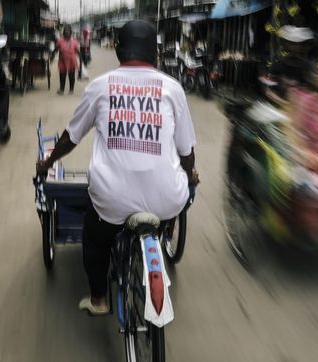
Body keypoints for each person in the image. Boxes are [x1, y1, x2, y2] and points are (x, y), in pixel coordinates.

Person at [36, 20, 199, 315]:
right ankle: (161, 241)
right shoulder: (173, 90)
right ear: (156, 55)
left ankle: (99, 299)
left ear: (119, 51)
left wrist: (47, 162)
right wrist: (191, 175)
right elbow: (186, 152)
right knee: (172, 206)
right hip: (166, 201)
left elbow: (71, 138)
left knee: (95, 239)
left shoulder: (100, 87)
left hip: (111, 201)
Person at [51, 25, 80, 95]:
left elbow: (78, 52)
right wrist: (51, 57)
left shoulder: (74, 41)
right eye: (65, 31)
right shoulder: (60, 41)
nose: (67, 33)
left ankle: (71, 89)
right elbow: (56, 49)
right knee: (62, 76)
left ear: (70, 32)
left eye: (68, 31)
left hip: (72, 61)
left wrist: (81, 61)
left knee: (71, 76)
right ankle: (61, 89)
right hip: (62, 61)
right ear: (63, 32)